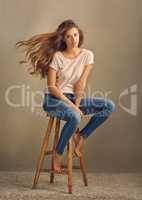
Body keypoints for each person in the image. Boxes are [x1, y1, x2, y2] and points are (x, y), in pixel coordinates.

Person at [16, 19, 116, 173]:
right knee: (75, 116)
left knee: (109, 106)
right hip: (54, 99)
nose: (73, 39)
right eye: (69, 36)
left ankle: (82, 137)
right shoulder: (57, 56)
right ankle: (58, 154)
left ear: (79, 35)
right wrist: (73, 107)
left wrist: (76, 103)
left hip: (73, 98)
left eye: (75, 35)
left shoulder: (87, 55)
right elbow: (52, 87)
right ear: (63, 38)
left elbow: (80, 84)